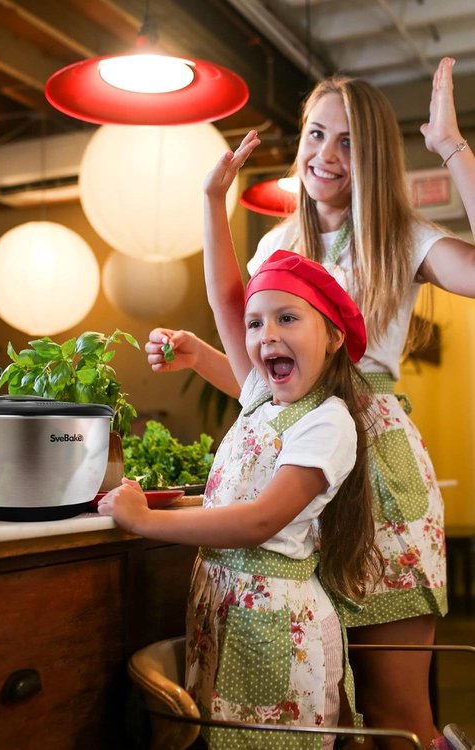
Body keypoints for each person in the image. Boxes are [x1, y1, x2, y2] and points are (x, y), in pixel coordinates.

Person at [145, 56, 475, 749]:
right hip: (293, 470)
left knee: (392, 712)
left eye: (349, 141)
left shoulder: (404, 237)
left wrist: (451, 146)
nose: (326, 154)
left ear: (377, 154)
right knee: (314, 709)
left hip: (378, 480)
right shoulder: (277, 242)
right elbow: (264, 392)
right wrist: (201, 353)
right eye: (317, 134)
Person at [99, 242, 383, 747]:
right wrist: (213, 196)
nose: (266, 333)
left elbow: (258, 520)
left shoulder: (328, 421)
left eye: (288, 317)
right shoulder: (264, 401)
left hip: (275, 624)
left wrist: (145, 521)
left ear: (334, 336)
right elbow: (221, 299)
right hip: (235, 618)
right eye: (255, 324)